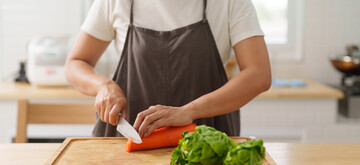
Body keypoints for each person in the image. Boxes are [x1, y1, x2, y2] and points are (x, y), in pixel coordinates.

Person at [65, 0, 271, 138]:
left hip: (206, 141)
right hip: (127, 143)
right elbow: (76, 63)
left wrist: (189, 111)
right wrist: (103, 86)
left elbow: (258, 73)